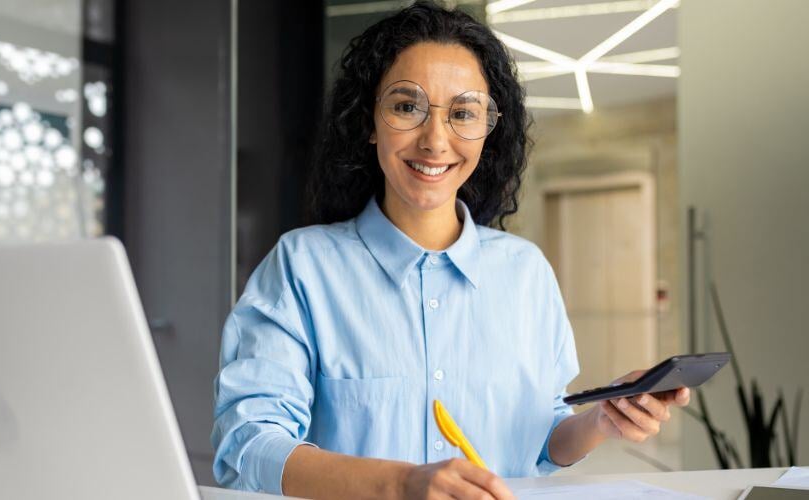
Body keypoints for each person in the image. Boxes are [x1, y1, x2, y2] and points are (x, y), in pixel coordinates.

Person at [212, 2, 690, 499]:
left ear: (488, 131)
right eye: (406, 107)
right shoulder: (302, 267)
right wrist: (402, 484)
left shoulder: (525, 271)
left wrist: (601, 420)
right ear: (369, 120)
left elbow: (541, 438)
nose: (435, 141)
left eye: (462, 113)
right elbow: (249, 446)